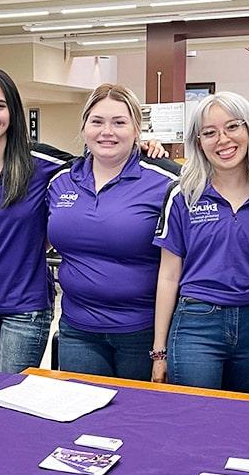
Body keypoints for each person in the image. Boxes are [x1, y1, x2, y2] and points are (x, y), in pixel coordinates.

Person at [47, 84, 179, 380]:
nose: (107, 131)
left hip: (141, 331)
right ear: (84, 128)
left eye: (119, 122)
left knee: (135, 420)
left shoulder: (165, 181)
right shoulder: (59, 181)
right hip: (78, 329)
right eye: (97, 122)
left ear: (137, 130)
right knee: (82, 414)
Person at [151, 93, 249, 393]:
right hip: (196, 324)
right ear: (198, 141)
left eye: (233, 127)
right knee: (196, 420)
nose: (223, 140)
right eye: (209, 132)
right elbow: (168, 275)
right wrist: (159, 351)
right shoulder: (183, 195)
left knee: (241, 420)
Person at [0, 68, 73, 374]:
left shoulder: (43, 163)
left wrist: (144, 150)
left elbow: (99, 162)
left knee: (13, 392)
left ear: (13, 112)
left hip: (26, 304)